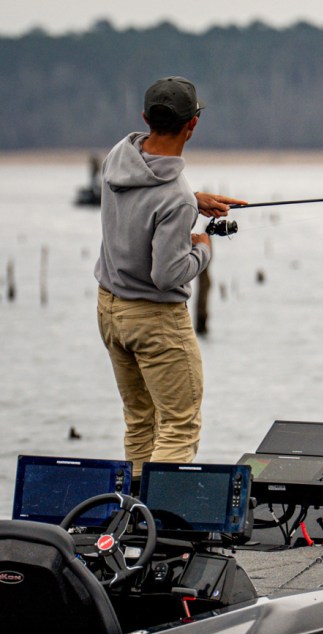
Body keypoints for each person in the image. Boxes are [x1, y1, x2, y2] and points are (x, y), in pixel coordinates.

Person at [95, 76, 246, 478]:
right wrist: (203, 248)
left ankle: (132, 507)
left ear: (145, 118)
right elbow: (167, 275)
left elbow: (147, 197)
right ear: (192, 124)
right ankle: (156, 513)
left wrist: (193, 200)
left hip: (110, 311)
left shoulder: (118, 157)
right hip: (155, 321)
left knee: (140, 422)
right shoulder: (175, 198)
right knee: (180, 426)